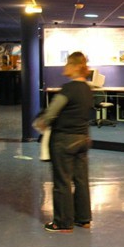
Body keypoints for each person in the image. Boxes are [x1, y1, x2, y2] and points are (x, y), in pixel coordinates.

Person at [35, 51, 94, 233]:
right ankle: (83, 219)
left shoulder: (68, 89)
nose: (64, 67)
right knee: (81, 180)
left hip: (64, 141)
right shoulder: (88, 89)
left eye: (67, 64)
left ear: (76, 67)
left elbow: (51, 113)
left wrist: (41, 123)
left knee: (62, 181)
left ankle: (63, 222)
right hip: (83, 139)